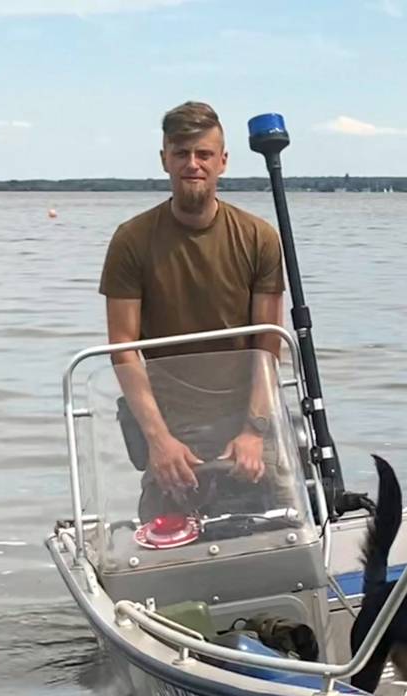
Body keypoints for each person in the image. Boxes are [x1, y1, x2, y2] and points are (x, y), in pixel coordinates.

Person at [98, 100, 287, 519]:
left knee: (280, 522)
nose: (193, 164)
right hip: (170, 420)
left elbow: (268, 342)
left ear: (223, 161)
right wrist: (158, 439)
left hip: (248, 412)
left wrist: (254, 431)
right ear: (164, 159)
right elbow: (123, 346)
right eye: (181, 153)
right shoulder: (132, 240)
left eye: (203, 154)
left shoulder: (259, 237)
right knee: (164, 538)